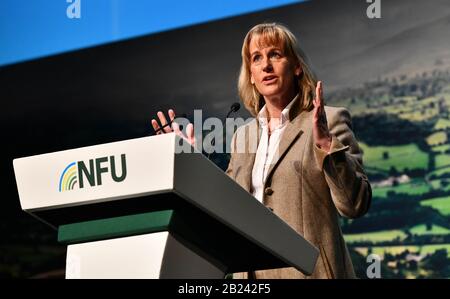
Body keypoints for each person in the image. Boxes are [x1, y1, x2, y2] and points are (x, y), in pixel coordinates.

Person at [151, 23, 371, 279]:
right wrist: (190, 161)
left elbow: (355, 204)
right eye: (257, 58)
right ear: (252, 77)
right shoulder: (242, 136)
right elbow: (224, 206)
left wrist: (326, 145)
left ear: (297, 66)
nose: (266, 65)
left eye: (275, 54)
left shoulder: (328, 121)